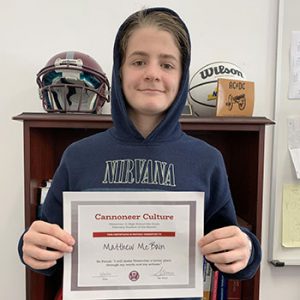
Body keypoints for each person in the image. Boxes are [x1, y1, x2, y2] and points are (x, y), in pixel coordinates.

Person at [18, 6, 261, 299]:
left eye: (167, 65)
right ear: (119, 70)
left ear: (182, 75)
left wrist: (245, 250)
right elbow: (48, 249)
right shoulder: (78, 157)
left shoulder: (207, 160)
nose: (152, 74)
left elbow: (228, 251)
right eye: (138, 61)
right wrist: (31, 247)